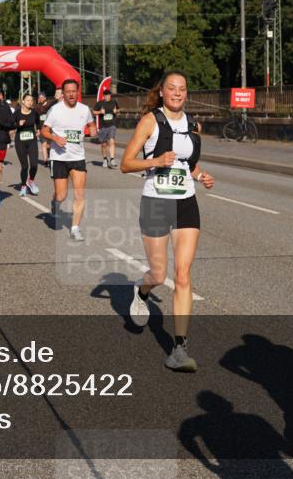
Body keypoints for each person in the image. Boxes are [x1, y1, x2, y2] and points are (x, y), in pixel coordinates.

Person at [120, 70, 215, 372]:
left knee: (183, 274)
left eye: (182, 89)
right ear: (161, 92)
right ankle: (142, 290)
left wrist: (201, 176)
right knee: (159, 274)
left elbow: (188, 163)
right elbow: (126, 163)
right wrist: (156, 161)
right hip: (156, 202)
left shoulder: (193, 125)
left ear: (187, 93)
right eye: (171, 88)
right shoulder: (150, 121)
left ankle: (179, 348)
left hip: (186, 201)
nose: (177, 93)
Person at [40, 79, 96, 242]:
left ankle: (75, 228)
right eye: (68, 91)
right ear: (63, 93)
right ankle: (54, 202)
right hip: (59, 158)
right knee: (61, 195)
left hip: (78, 156)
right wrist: (54, 138)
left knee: (79, 193)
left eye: (74, 91)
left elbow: (91, 124)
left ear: (77, 92)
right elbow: (44, 131)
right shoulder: (55, 110)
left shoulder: (84, 109)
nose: (71, 94)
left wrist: (92, 129)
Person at [14, 93, 42, 196]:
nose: (30, 102)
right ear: (23, 101)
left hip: (32, 141)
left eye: (31, 100)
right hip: (20, 141)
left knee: (34, 165)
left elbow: (38, 123)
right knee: (25, 166)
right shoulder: (17, 113)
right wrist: (18, 124)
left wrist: (38, 129)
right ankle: (23, 186)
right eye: (28, 100)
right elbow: (10, 124)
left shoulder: (34, 112)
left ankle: (31, 180)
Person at [93, 89, 120, 168]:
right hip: (103, 126)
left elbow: (118, 109)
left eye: (109, 95)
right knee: (104, 144)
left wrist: (116, 111)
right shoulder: (99, 103)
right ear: (104, 96)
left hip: (112, 125)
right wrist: (100, 112)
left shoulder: (114, 102)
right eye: (106, 95)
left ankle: (112, 159)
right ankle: (105, 159)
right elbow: (94, 111)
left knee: (112, 141)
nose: (108, 97)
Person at [36, 92, 51, 165]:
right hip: (41, 128)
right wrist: (37, 129)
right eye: (39, 97)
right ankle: (45, 160)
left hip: (50, 128)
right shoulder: (37, 107)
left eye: (42, 97)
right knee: (44, 144)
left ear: (45, 98)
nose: (41, 99)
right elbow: (37, 116)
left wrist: (46, 105)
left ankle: (50, 156)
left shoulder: (49, 105)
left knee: (49, 145)